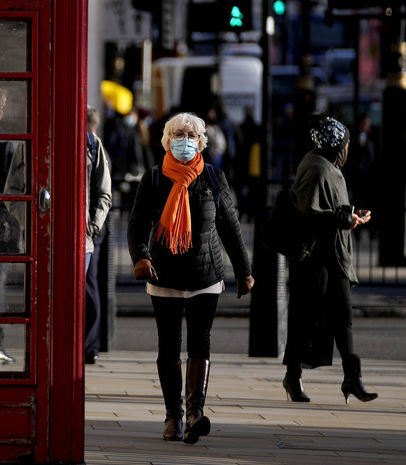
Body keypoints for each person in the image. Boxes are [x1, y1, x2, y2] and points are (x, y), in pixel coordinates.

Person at [127, 112, 254, 444]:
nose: (186, 139)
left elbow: (229, 225)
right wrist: (140, 256)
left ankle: (195, 412)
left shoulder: (213, 178)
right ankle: (173, 418)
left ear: (202, 141)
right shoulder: (154, 178)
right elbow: (138, 224)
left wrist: (244, 271)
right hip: (164, 274)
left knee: (200, 342)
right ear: (168, 140)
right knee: (168, 347)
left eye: (192, 134)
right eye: (180, 134)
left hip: (205, 275)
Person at [282, 114, 377, 405]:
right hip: (315, 258)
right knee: (304, 319)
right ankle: (293, 376)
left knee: (343, 318)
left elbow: (332, 208)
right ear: (337, 146)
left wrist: (351, 215)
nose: (348, 149)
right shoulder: (317, 168)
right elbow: (309, 213)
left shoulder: (327, 166)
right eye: (346, 144)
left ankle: (352, 378)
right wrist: (344, 219)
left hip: (334, 255)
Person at [84, 105, 112, 364]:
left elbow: (104, 192)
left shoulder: (93, 144)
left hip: (85, 238)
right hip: (50, 237)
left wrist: (92, 226)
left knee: (87, 290)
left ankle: (88, 347)